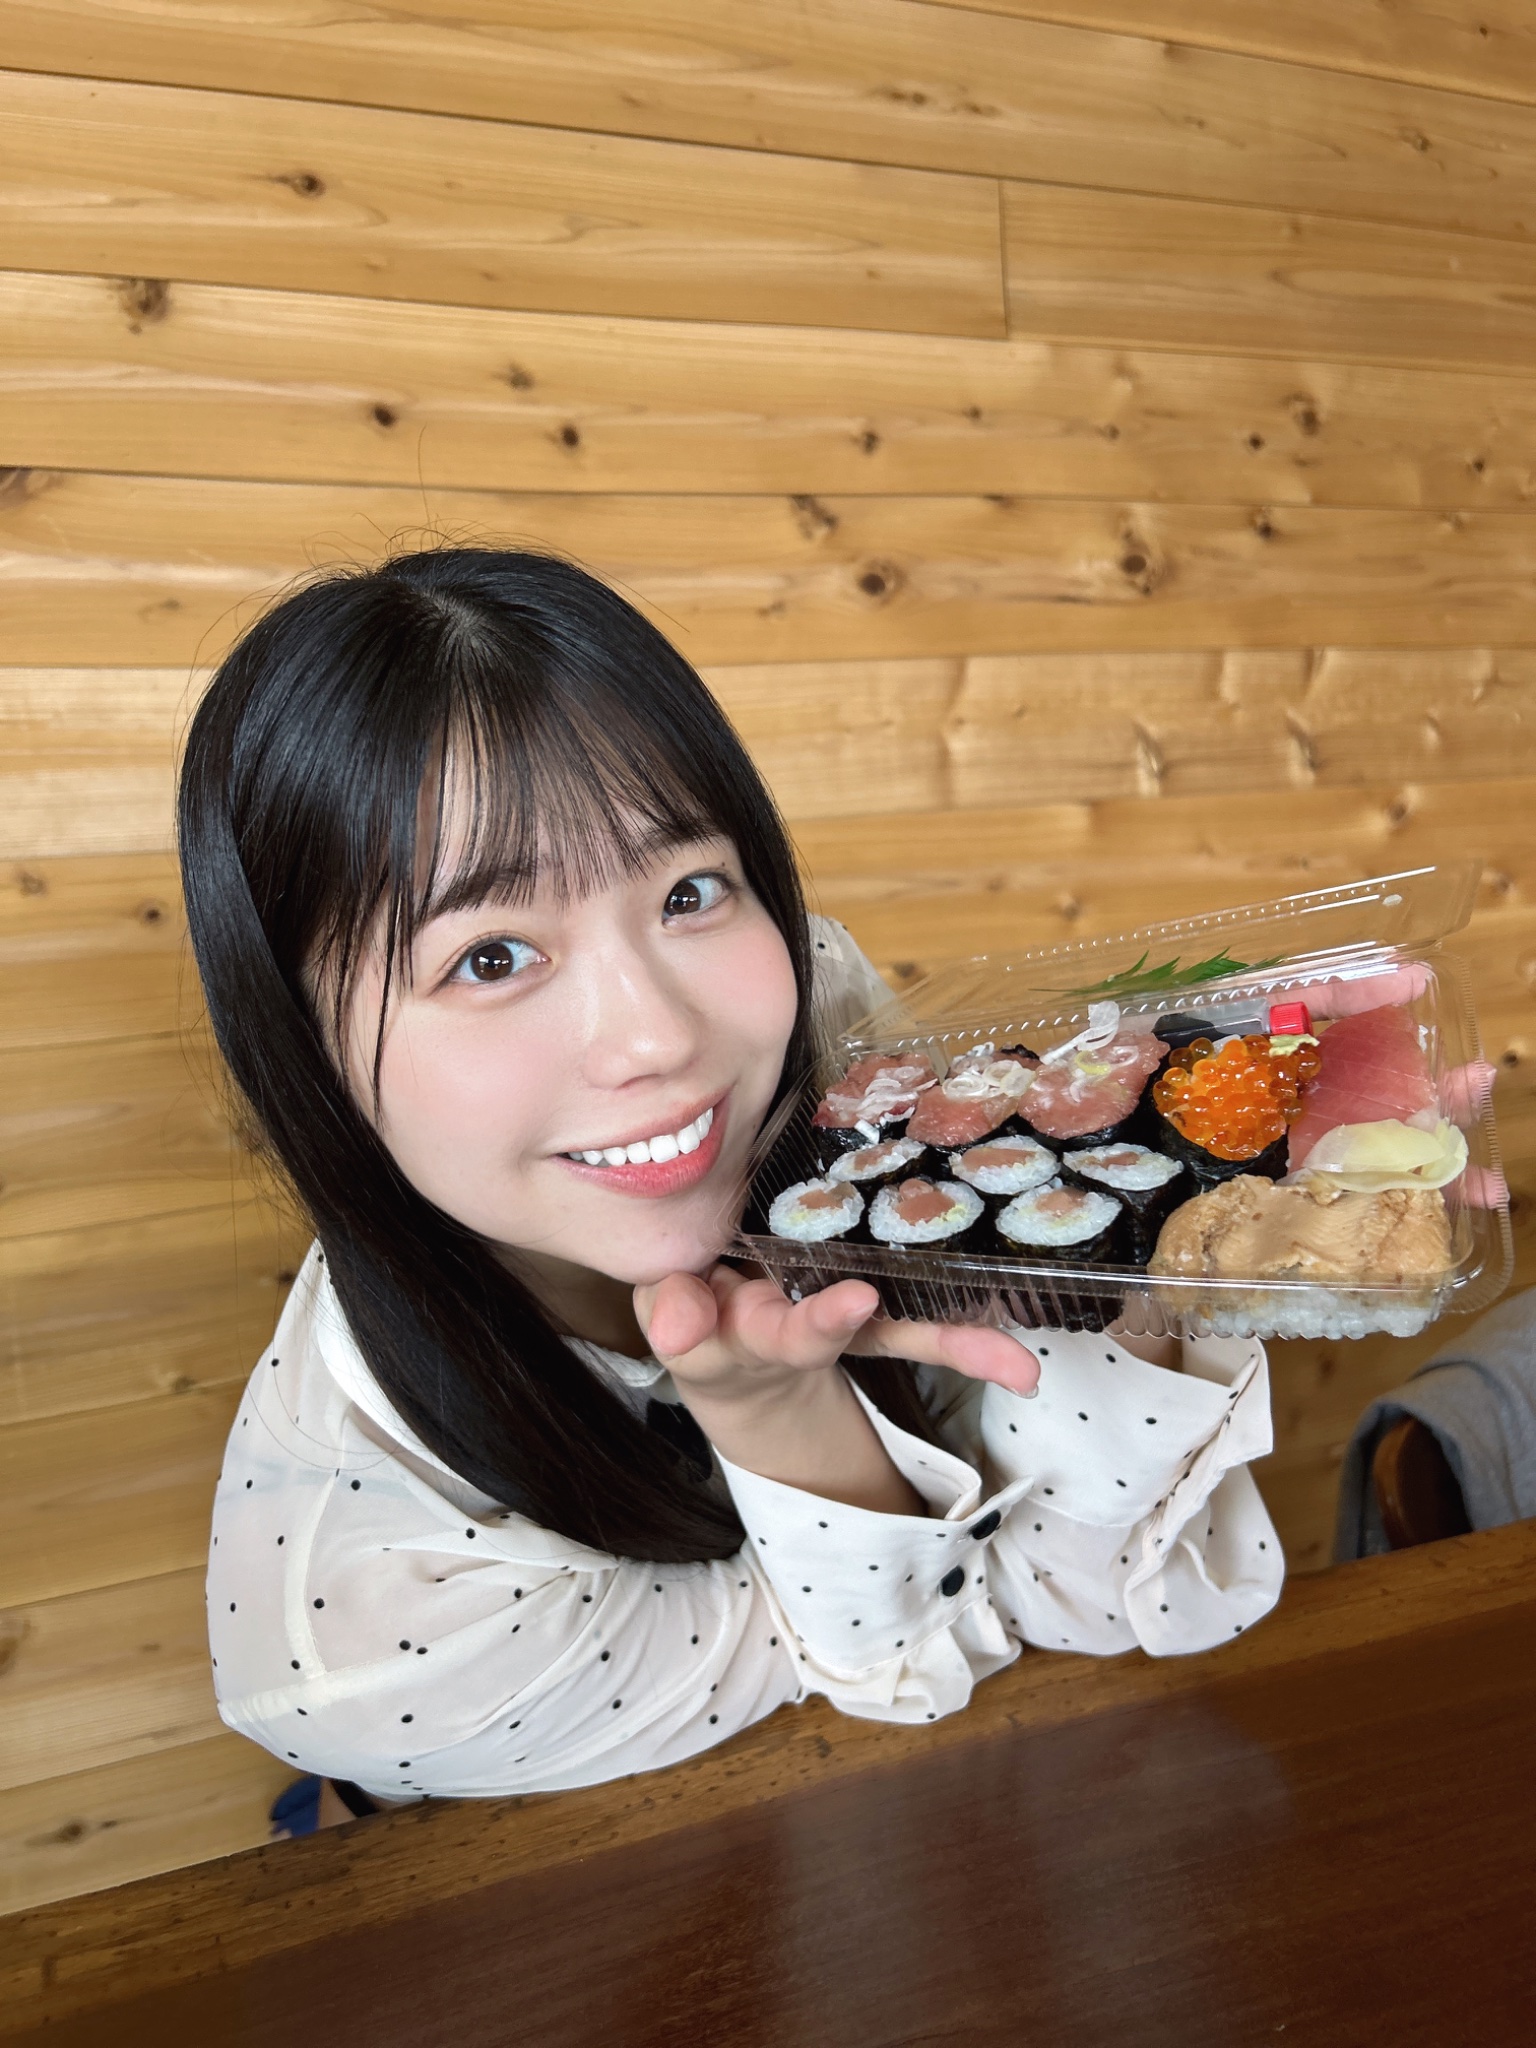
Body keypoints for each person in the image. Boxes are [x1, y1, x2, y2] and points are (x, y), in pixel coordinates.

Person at [179, 549, 1282, 1834]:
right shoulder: (368, 1622)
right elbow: (919, 1678)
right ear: (302, 1052)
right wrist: (783, 1420)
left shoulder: (823, 1034)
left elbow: (1087, 1596)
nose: (658, 1035)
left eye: (689, 891)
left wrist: (1153, 1233)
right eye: (490, 956)